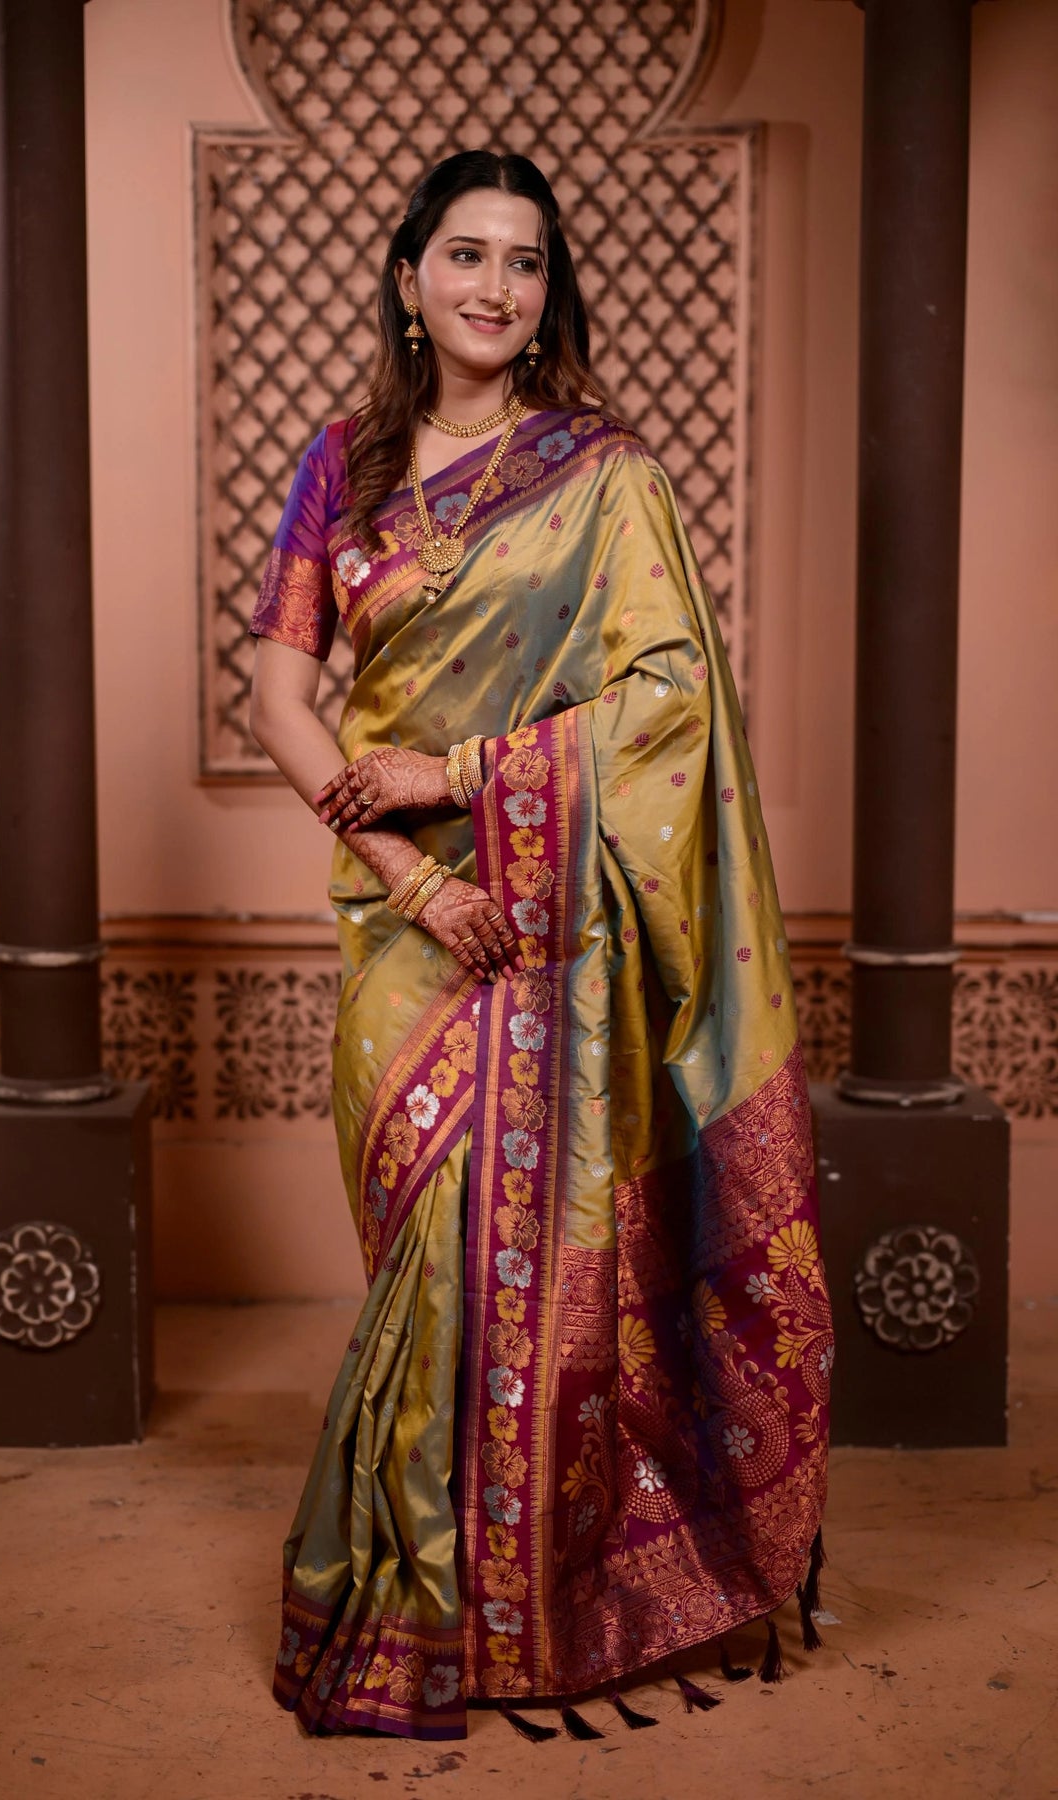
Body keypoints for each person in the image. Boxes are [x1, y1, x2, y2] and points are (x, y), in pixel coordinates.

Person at [248, 149, 833, 1742]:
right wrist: (406, 866)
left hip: (556, 923)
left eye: (524, 261)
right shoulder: (342, 469)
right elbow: (277, 698)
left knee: (545, 1268)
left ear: (547, 289)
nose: (495, 285)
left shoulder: (607, 476)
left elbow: (668, 704)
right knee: (422, 1262)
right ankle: (422, 1590)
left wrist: (469, 776)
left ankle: (531, 1610)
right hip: (403, 923)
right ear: (407, 276)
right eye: (465, 255)